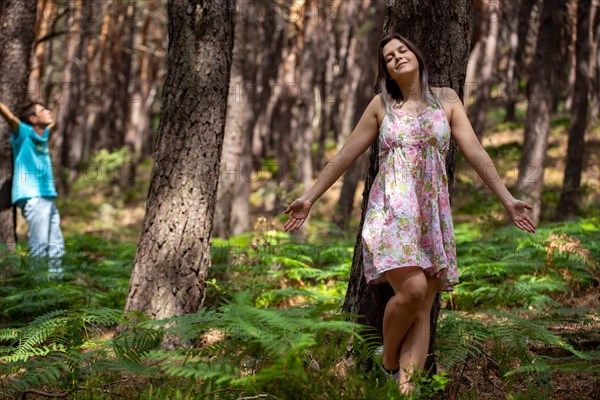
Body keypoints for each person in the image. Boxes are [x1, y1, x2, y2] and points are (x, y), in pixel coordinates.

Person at [283, 33, 536, 394]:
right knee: (414, 289)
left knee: (422, 308)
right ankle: (386, 363)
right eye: (389, 56)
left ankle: (405, 392)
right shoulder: (380, 106)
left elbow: (477, 153)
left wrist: (508, 199)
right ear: (385, 69)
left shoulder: (447, 100)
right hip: (391, 213)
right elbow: (343, 156)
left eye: (402, 50)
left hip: (431, 214)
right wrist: (309, 196)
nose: (397, 57)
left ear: (417, 55)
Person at [0, 101, 65, 277]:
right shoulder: (24, 133)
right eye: (43, 110)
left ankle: (55, 288)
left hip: (46, 197)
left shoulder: (42, 136)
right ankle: (37, 289)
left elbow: (52, 122)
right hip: (33, 197)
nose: (49, 111)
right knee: (39, 244)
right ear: (33, 118)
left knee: (57, 244)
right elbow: (10, 117)